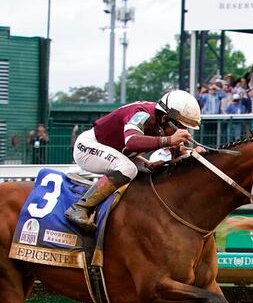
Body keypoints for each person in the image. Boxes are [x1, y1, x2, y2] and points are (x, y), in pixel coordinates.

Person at [65, 89, 199, 232]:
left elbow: (177, 157)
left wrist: (194, 154)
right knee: (128, 169)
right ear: (165, 119)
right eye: (181, 127)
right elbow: (132, 141)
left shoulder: (162, 121)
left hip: (118, 152)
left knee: (149, 169)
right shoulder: (141, 114)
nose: (184, 131)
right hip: (88, 146)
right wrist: (169, 140)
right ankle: (79, 207)